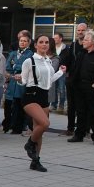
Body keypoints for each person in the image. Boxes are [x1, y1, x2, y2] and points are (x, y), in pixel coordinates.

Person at [21, 35, 66, 172]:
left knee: (39, 131)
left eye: (47, 42)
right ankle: (29, 144)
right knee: (45, 123)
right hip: (31, 95)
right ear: (35, 45)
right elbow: (23, 81)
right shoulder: (29, 61)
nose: (44, 44)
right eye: (41, 42)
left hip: (44, 96)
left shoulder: (49, 61)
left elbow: (49, 80)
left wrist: (60, 72)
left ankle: (35, 161)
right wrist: (17, 78)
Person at [3, 31, 33, 134]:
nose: (22, 43)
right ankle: (7, 125)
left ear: (28, 43)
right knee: (9, 104)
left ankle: (19, 126)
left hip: (22, 82)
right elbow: (8, 66)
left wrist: (17, 68)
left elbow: (26, 67)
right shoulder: (12, 53)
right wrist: (12, 71)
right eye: (21, 41)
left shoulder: (30, 54)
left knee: (20, 105)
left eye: (25, 41)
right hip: (12, 81)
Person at [59, 25, 87, 135]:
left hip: (84, 80)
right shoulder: (73, 45)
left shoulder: (88, 46)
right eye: (78, 30)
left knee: (83, 106)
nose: (80, 32)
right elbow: (68, 59)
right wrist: (64, 66)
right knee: (71, 106)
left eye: (82, 30)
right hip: (72, 80)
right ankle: (70, 128)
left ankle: (84, 129)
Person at [50, 32, 69, 112]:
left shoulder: (65, 48)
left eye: (56, 38)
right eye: (53, 38)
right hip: (53, 70)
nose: (54, 40)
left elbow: (67, 58)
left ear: (60, 39)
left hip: (61, 71)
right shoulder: (52, 48)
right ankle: (53, 105)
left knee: (61, 89)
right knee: (53, 88)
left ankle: (61, 106)